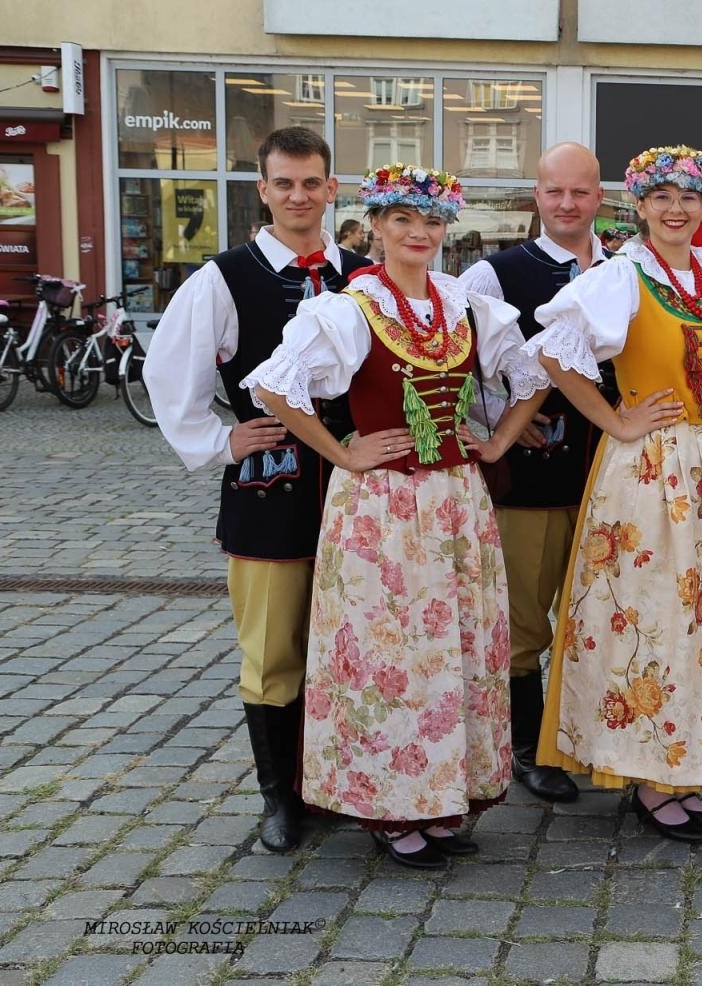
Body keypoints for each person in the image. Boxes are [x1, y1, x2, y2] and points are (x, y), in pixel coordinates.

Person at [242, 162, 550, 869]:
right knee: (389, 658)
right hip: (381, 510)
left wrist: (498, 438)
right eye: (402, 220)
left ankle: (439, 796)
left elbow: (536, 372)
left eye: (431, 222)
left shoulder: (463, 303)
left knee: (454, 653)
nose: (419, 233)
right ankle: (389, 806)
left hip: (455, 504)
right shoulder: (350, 307)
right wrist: (342, 454)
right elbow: (274, 386)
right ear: (375, 226)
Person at [530, 146, 702, 843]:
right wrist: (616, 418)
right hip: (647, 471)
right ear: (640, 206)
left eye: (690, 197)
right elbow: (555, 352)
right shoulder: (621, 275)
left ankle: (688, 764)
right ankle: (650, 775)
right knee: (653, 612)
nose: (677, 209)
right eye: (662, 197)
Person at [144, 127, 374, 855]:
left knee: (360, 642)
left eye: (312, 183)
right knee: (274, 649)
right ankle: (283, 799)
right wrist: (221, 440)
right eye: (285, 184)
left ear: (332, 188)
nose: (300, 196)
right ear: (264, 190)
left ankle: (350, 785)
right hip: (270, 488)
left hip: (361, 487)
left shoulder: (367, 275)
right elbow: (169, 374)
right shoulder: (224, 276)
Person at [459, 141, 614, 804]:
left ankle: (591, 738)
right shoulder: (495, 275)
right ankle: (527, 747)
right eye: (555, 192)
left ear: (599, 198)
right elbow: (455, 363)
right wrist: (486, 426)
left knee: (606, 617)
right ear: (537, 198)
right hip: (531, 477)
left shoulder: (628, 269)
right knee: (526, 620)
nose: (568, 203)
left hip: (616, 475)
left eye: (580, 192)